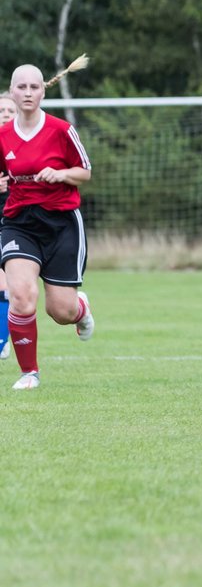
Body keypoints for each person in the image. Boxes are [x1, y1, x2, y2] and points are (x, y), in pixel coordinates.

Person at [0, 57, 97, 391]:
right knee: (22, 296)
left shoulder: (62, 131)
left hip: (61, 223)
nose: (28, 92)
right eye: (21, 87)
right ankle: (29, 373)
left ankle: (80, 310)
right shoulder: (2, 135)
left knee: (60, 310)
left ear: (43, 91)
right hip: (19, 223)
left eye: (34, 87)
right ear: (11, 93)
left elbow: (85, 172)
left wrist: (61, 174)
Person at [0, 91, 15, 360]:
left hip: (17, 220)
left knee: (6, 284)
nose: (5, 115)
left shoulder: (27, 142)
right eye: (0, 110)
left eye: (9, 111)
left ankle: (2, 340)